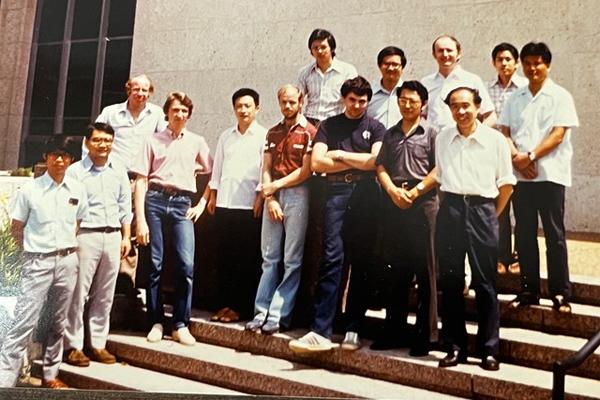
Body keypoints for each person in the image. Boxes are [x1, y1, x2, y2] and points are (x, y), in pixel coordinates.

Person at [288, 76, 385, 353]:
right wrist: (356, 162)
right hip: (336, 196)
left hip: (367, 195)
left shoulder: (376, 127)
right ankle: (321, 330)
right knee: (332, 258)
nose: (357, 106)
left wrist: (340, 154)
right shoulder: (328, 125)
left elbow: (374, 161)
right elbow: (318, 162)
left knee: (362, 260)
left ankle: (353, 328)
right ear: (344, 98)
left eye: (362, 101)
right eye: (352, 100)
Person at [435, 86, 515, 371]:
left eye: (467, 105)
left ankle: (489, 350)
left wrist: (490, 214)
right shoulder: (443, 138)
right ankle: (454, 346)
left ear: (478, 106)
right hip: (452, 208)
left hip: (483, 209)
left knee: (485, 282)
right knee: (452, 281)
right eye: (455, 106)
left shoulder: (495, 140)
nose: (462, 111)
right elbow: (442, 179)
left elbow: (506, 184)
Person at [0, 136, 88, 389]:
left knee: (59, 322)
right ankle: (5, 380)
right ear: (45, 157)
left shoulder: (77, 189)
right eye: (54, 155)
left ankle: (50, 375)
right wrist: (27, 254)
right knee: (24, 321)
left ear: (71, 160)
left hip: (67, 261)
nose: (59, 160)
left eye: (64, 156)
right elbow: (17, 227)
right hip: (37, 262)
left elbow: (78, 223)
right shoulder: (31, 189)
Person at [498, 42, 579, 314]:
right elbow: (505, 132)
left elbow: (558, 134)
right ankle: (529, 290)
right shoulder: (515, 98)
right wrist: (517, 158)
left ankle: (560, 292)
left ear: (548, 65)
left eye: (538, 63)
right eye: (528, 63)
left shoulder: (560, 96)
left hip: (550, 175)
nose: (532, 68)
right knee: (524, 234)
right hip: (521, 177)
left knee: (554, 234)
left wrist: (530, 156)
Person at [132, 92, 212, 345]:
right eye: (175, 110)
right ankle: (155, 320)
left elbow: (212, 172)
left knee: (185, 264)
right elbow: (141, 179)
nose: (179, 115)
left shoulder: (197, 142)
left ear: (189, 115)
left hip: (182, 205)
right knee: (154, 264)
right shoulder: (152, 140)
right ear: (167, 112)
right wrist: (141, 219)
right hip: (154, 201)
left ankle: (180, 323)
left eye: (184, 111)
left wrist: (201, 203)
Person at [372, 81, 438, 356]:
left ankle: (426, 335)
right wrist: (392, 191)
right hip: (394, 202)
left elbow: (439, 168)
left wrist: (417, 190)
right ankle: (394, 329)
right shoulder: (390, 134)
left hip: (424, 203)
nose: (407, 105)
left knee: (426, 271)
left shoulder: (433, 133)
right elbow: (381, 166)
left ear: (423, 104)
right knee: (395, 271)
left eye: (412, 100)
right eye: (403, 100)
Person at [245, 85, 317, 335]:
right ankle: (260, 312)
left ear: (301, 101)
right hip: (272, 196)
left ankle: (278, 314)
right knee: (269, 258)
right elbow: (265, 166)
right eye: (283, 102)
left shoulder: (310, 132)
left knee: (291, 259)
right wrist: (270, 195)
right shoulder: (272, 132)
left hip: (297, 194)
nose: (287, 107)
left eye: (292, 102)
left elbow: (306, 171)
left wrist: (277, 185)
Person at [63, 122, 132, 367]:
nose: (103, 145)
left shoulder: (118, 170)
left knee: (105, 294)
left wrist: (126, 236)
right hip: (85, 236)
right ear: (87, 143)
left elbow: (125, 205)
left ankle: (98, 344)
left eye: (107, 140)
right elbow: (68, 209)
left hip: (112, 237)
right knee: (78, 294)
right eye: (97, 140)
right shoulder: (75, 172)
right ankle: (73, 346)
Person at [207, 88, 267, 323]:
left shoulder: (264, 135)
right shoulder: (226, 136)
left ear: (257, 108)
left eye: (248, 106)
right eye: (239, 106)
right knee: (225, 257)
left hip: (248, 205)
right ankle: (224, 304)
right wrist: (212, 194)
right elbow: (218, 168)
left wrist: (260, 196)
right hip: (224, 203)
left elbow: (265, 170)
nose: (243, 110)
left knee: (246, 259)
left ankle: (240, 307)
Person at [487, 42, 528, 275]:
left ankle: (519, 256)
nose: (504, 63)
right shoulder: (485, 89)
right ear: (494, 63)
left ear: (516, 62)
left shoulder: (527, 88)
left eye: (508, 59)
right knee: (499, 208)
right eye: (499, 59)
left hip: (521, 158)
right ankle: (501, 255)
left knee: (522, 209)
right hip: (495, 158)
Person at [84, 74, 166, 171]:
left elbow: (165, 141)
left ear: (149, 93)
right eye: (136, 89)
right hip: (113, 172)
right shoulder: (110, 112)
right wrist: (87, 166)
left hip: (142, 176)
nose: (140, 94)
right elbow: (91, 137)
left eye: (144, 90)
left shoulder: (157, 113)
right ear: (129, 90)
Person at [421, 35, 496, 131]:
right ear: (434, 55)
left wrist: (477, 134)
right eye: (440, 51)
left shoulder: (471, 80)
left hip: (464, 142)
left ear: (459, 53)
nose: (445, 54)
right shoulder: (426, 83)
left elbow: (491, 116)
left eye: (449, 50)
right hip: (435, 142)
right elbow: (421, 115)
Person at [297, 28, 358, 126]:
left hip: (336, 122)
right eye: (315, 48)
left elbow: (354, 99)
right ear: (311, 51)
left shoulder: (347, 71)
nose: (319, 51)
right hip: (310, 122)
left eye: (323, 47)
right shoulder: (304, 72)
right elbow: (297, 100)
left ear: (332, 48)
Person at [367, 46, 406, 128]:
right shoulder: (368, 94)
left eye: (395, 64)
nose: (390, 68)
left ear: (402, 67)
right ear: (379, 66)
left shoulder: (409, 94)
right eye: (386, 64)